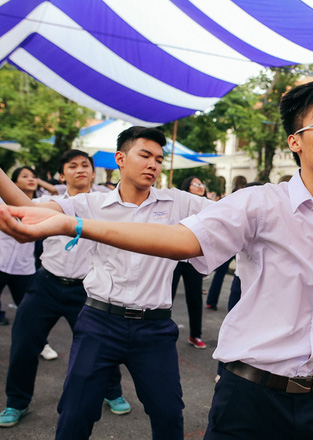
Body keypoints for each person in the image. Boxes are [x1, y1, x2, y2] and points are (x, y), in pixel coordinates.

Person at [0, 81, 313, 439]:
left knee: (168, 416)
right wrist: (74, 224)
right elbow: (181, 241)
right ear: (295, 142)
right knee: (79, 413)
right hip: (249, 396)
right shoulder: (259, 203)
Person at [0, 127, 214, 439]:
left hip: (154, 328)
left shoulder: (179, 203)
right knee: (75, 412)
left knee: (168, 414)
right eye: (145, 155)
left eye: (158, 158)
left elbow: (235, 214)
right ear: (120, 159)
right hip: (100, 322)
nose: (153, 164)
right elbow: (32, 211)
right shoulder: (91, 204)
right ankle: (18, 401)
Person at [0, 150, 130, 428]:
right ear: (62, 175)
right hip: (46, 284)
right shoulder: (50, 203)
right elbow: (21, 207)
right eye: (72, 166)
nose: (80, 169)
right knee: (24, 344)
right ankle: (16, 402)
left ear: (93, 173)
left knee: (101, 346)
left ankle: (113, 392)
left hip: (87, 290)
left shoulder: (106, 205)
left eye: (85, 165)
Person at [171, 175, 209, 349]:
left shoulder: (209, 206)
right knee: (166, 295)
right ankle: (163, 332)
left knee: (194, 298)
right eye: (196, 184)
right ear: (187, 186)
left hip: (194, 258)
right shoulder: (178, 203)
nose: (200, 186)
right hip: (174, 256)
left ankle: (195, 335)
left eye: (201, 184)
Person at [0, 167, 38, 326]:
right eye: (25, 176)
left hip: (24, 267)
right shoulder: (2, 203)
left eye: (34, 176)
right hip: (0, 262)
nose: (31, 179)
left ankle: (41, 342)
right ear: (13, 183)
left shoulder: (44, 205)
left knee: (28, 309)